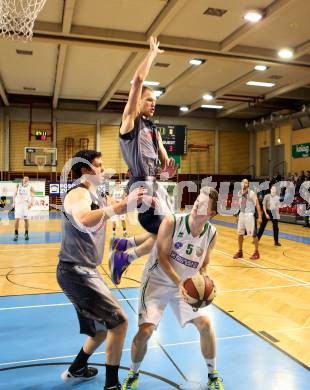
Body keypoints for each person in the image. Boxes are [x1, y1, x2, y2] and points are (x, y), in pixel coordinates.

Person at [57, 150, 144, 390]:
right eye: (98, 165)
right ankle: (112, 385)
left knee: (100, 331)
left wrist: (139, 190)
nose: (102, 170)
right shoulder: (78, 193)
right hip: (76, 272)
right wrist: (123, 205)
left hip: (83, 271)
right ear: (85, 171)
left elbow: (121, 207)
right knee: (119, 322)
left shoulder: (97, 193)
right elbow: (84, 218)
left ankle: (77, 369)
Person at [121, 187, 224, 390]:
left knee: (205, 324)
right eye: (197, 200)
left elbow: (203, 264)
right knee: (146, 331)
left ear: (211, 213)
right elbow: (162, 257)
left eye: (203, 204)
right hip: (157, 281)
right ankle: (133, 374)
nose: (197, 204)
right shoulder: (172, 222)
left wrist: (206, 279)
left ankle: (213, 374)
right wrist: (181, 284)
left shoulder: (211, 234)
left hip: (184, 285)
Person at [109, 36, 176, 285]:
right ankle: (126, 255)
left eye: (156, 102)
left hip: (154, 185)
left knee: (168, 232)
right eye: (149, 100)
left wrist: (168, 168)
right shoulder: (130, 122)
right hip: (140, 186)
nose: (153, 104)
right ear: (138, 102)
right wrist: (152, 54)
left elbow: (164, 159)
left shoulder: (153, 129)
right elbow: (138, 80)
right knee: (167, 233)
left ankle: (125, 246)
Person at [233, 179, 262, 260]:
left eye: (246, 182)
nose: (244, 183)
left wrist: (259, 216)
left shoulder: (251, 193)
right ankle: (240, 252)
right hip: (242, 215)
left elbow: (257, 205)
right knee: (240, 234)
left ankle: (256, 252)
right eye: (243, 182)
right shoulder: (239, 193)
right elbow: (240, 205)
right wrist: (238, 215)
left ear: (248, 185)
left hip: (250, 215)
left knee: (254, 234)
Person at [13, 176, 34, 241]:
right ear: (22, 179)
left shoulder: (30, 187)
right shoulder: (18, 185)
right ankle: (16, 234)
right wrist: (13, 202)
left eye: (27, 179)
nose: (26, 180)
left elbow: (33, 195)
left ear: (28, 181)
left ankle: (26, 233)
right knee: (17, 219)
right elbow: (14, 194)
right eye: (25, 179)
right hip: (18, 204)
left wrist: (31, 202)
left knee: (26, 219)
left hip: (25, 204)